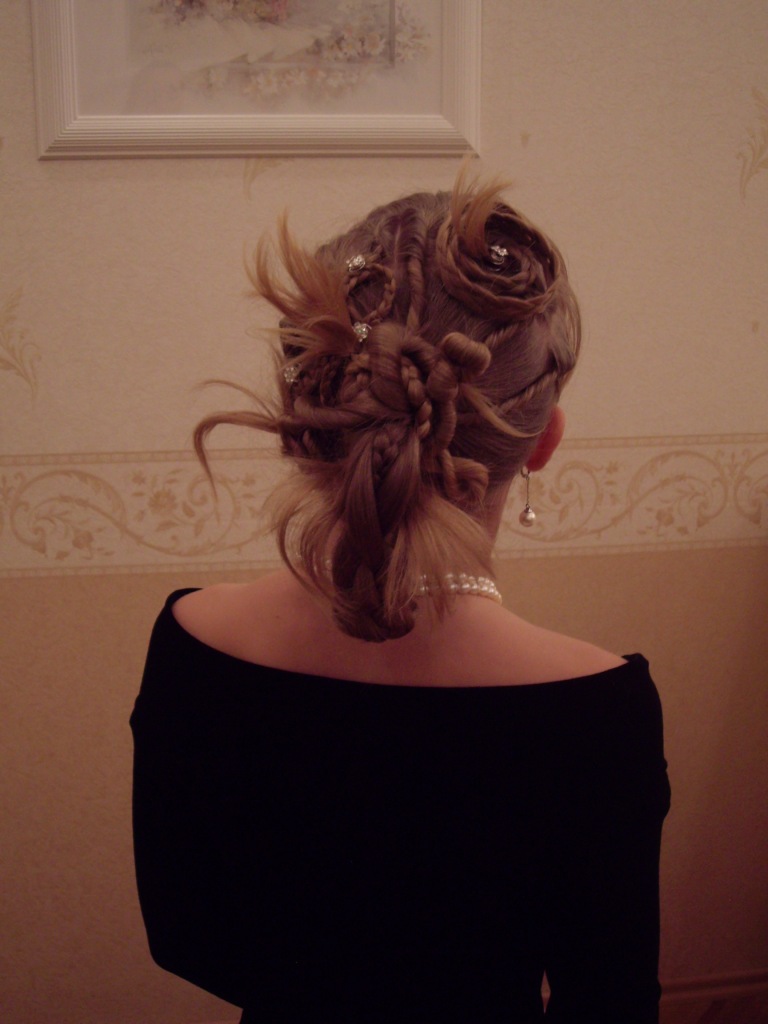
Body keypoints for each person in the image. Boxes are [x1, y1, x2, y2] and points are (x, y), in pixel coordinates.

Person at [131, 168, 670, 1023]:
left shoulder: (193, 641)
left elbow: (185, 938)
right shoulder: (601, 710)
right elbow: (609, 1004)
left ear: (314, 410)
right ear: (543, 441)